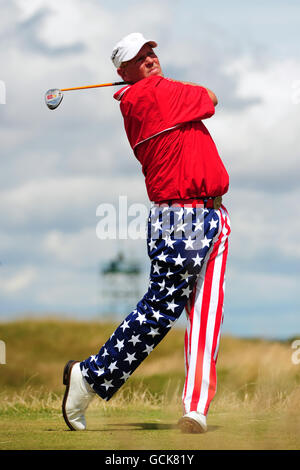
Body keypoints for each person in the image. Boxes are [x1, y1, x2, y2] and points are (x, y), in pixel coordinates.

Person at [62, 32, 231, 434]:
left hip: (214, 214)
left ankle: (195, 410)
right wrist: (165, 84)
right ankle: (87, 377)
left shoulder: (156, 92)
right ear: (123, 72)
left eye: (151, 51)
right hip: (182, 218)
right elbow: (212, 96)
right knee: (161, 309)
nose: (151, 58)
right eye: (139, 57)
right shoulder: (149, 96)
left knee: (207, 316)